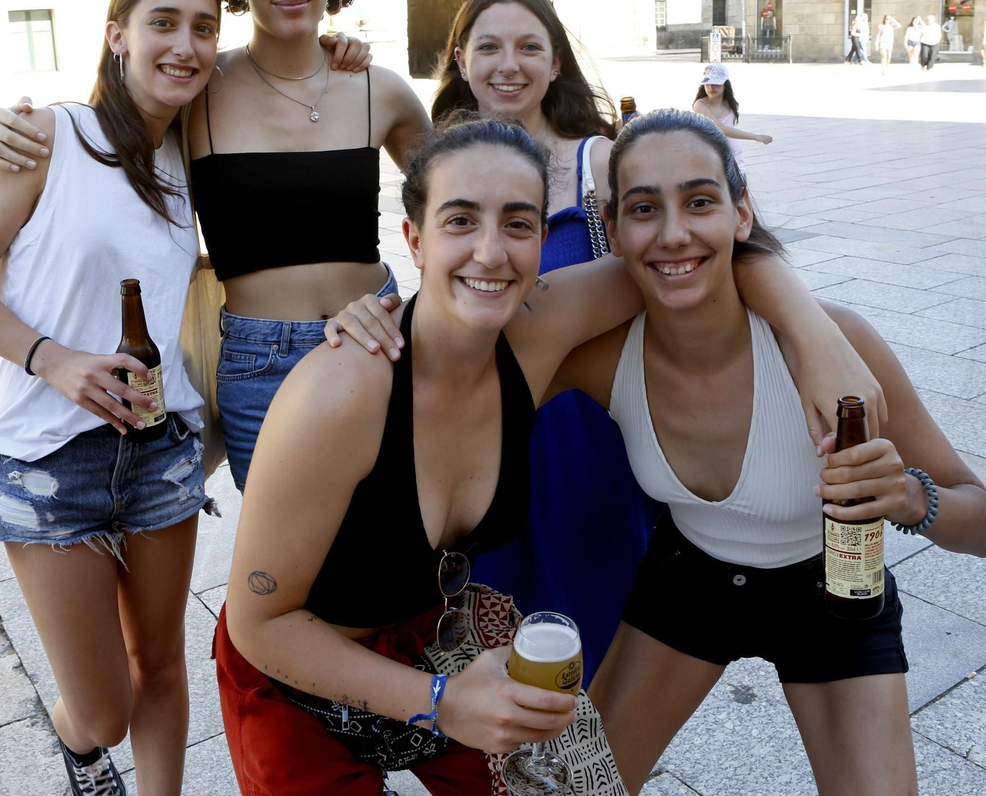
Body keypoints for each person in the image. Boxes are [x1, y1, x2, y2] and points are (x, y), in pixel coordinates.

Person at [229, 113, 888, 795]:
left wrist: (815, 334)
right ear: (413, 240)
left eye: (517, 223)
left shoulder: (541, 326)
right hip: (297, 673)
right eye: (460, 221)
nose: (490, 252)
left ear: (544, 240)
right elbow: (260, 623)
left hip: (434, 640)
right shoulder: (342, 393)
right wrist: (440, 701)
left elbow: (685, 254)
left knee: (573, 789)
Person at [545, 109, 986, 795]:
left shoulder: (833, 343)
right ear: (613, 231)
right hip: (689, 578)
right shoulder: (604, 355)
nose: (673, 233)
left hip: (835, 593)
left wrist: (911, 498)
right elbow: (475, 362)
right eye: (644, 209)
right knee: (578, 789)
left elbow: (985, 526)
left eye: (699, 202)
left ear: (740, 212)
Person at [0, 0, 433, 492]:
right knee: (289, 568)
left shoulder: (385, 90)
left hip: (378, 339)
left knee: (395, 539)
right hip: (259, 361)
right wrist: (6, 126)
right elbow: (106, 133)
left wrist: (423, 317)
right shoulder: (198, 88)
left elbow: (451, 208)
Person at [0, 0, 231, 796]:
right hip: (47, 457)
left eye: (203, 27)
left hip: (159, 446)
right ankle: (77, 744)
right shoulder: (47, 137)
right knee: (103, 710)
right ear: (116, 35)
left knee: (163, 670)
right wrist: (53, 360)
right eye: (162, 23)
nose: (185, 44)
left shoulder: (192, 159)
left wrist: (344, 52)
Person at [416, 0, 648, 681]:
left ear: (555, 63)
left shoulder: (598, 161)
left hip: (586, 431)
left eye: (527, 46)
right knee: (494, 640)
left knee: (598, 633)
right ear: (461, 61)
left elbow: (656, 280)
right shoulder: (445, 161)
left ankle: (598, 775)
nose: (507, 64)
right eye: (488, 46)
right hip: (481, 429)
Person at [692, 62, 771, 173]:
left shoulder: (731, 105)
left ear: (725, 84)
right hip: (713, 157)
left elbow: (729, 128)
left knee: (740, 189)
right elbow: (721, 129)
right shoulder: (700, 105)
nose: (711, 87)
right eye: (707, 83)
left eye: (716, 83)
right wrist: (755, 137)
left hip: (735, 157)